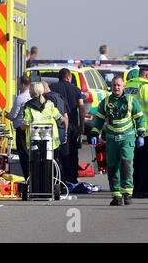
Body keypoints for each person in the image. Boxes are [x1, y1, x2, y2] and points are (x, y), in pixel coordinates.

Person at [91, 76, 145, 206]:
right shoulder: (106, 102)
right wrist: (94, 133)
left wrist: (141, 134)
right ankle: (116, 196)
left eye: (119, 85)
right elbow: (99, 119)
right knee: (112, 168)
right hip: (112, 140)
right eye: (114, 85)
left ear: (123, 86)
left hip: (127, 139)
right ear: (112, 86)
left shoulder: (132, 101)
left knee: (126, 166)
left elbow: (139, 119)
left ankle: (127, 195)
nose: (116, 88)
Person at [50, 68, 85, 184]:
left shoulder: (53, 87)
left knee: (61, 152)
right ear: (69, 77)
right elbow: (81, 106)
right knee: (73, 151)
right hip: (73, 125)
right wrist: (82, 125)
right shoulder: (76, 89)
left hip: (59, 124)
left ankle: (62, 177)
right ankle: (73, 177)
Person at [22, 82, 65, 165]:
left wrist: (21, 127)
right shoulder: (49, 104)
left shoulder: (28, 106)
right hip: (51, 142)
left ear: (32, 92)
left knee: (36, 167)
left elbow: (26, 124)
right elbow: (61, 119)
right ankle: (53, 178)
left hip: (35, 142)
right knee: (51, 166)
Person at [124, 64, 148, 198]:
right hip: (144, 131)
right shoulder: (146, 88)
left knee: (133, 162)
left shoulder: (128, 86)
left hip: (128, 130)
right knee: (144, 163)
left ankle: (133, 188)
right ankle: (142, 190)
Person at [42, 81, 70, 182]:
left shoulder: (48, 99)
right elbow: (65, 117)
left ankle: (55, 182)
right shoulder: (60, 97)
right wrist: (66, 133)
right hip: (62, 130)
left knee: (52, 158)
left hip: (54, 130)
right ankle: (62, 181)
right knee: (60, 158)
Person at [4, 75, 31, 179]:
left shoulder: (20, 98)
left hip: (21, 128)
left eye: (19, 84)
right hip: (30, 129)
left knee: (23, 155)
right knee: (29, 153)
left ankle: (27, 177)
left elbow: (13, 115)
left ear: (23, 85)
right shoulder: (32, 96)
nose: (19, 86)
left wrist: (6, 114)